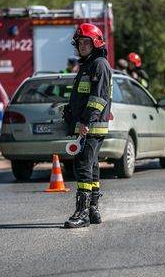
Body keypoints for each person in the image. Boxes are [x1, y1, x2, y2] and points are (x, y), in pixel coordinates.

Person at [63, 23, 112, 228]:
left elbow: (97, 99)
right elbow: (83, 96)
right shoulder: (88, 65)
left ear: (96, 43)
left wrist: (85, 122)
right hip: (88, 125)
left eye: (86, 42)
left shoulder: (98, 64)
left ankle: (81, 213)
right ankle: (92, 210)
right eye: (80, 42)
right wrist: (69, 110)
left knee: (82, 166)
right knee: (91, 166)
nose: (82, 46)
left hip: (90, 126)